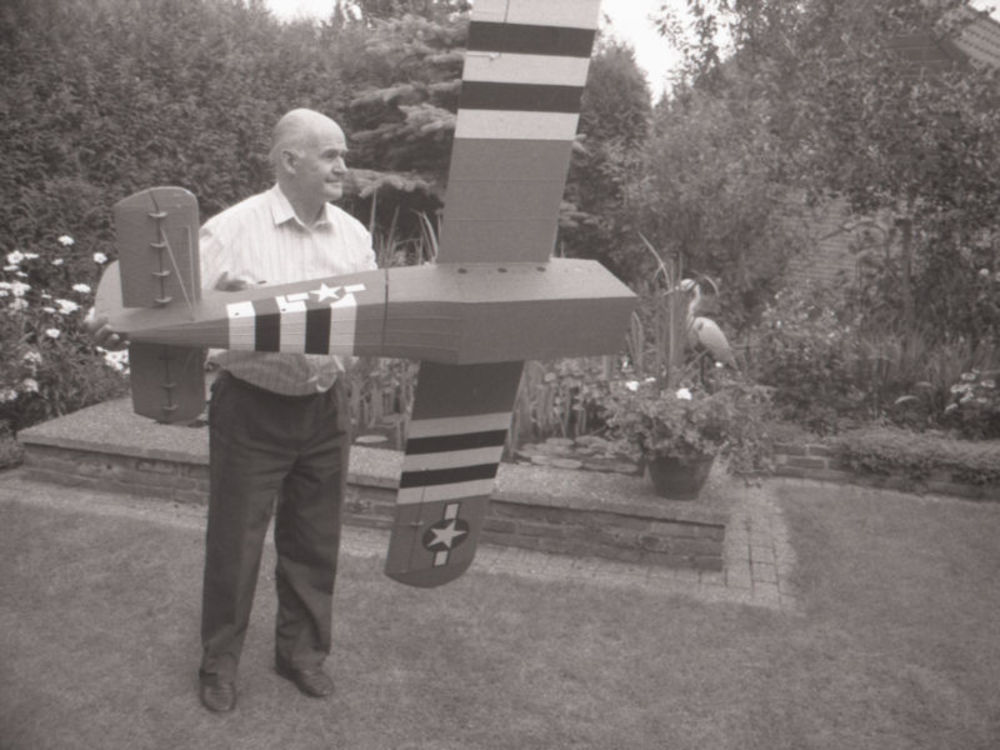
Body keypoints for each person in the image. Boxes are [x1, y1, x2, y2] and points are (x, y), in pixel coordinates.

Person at [89, 108, 377, 713]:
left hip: (326, 407)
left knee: (315, 541)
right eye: (330, 155)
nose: (342, 167)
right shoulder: (231, 230)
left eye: (343, 155)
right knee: (235, 545)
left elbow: (373, 311)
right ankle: (218, 665)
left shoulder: (353, 234)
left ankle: (301, 656)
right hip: (252, 408)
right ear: (290, 160)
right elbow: (163, 301)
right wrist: (114, 319)